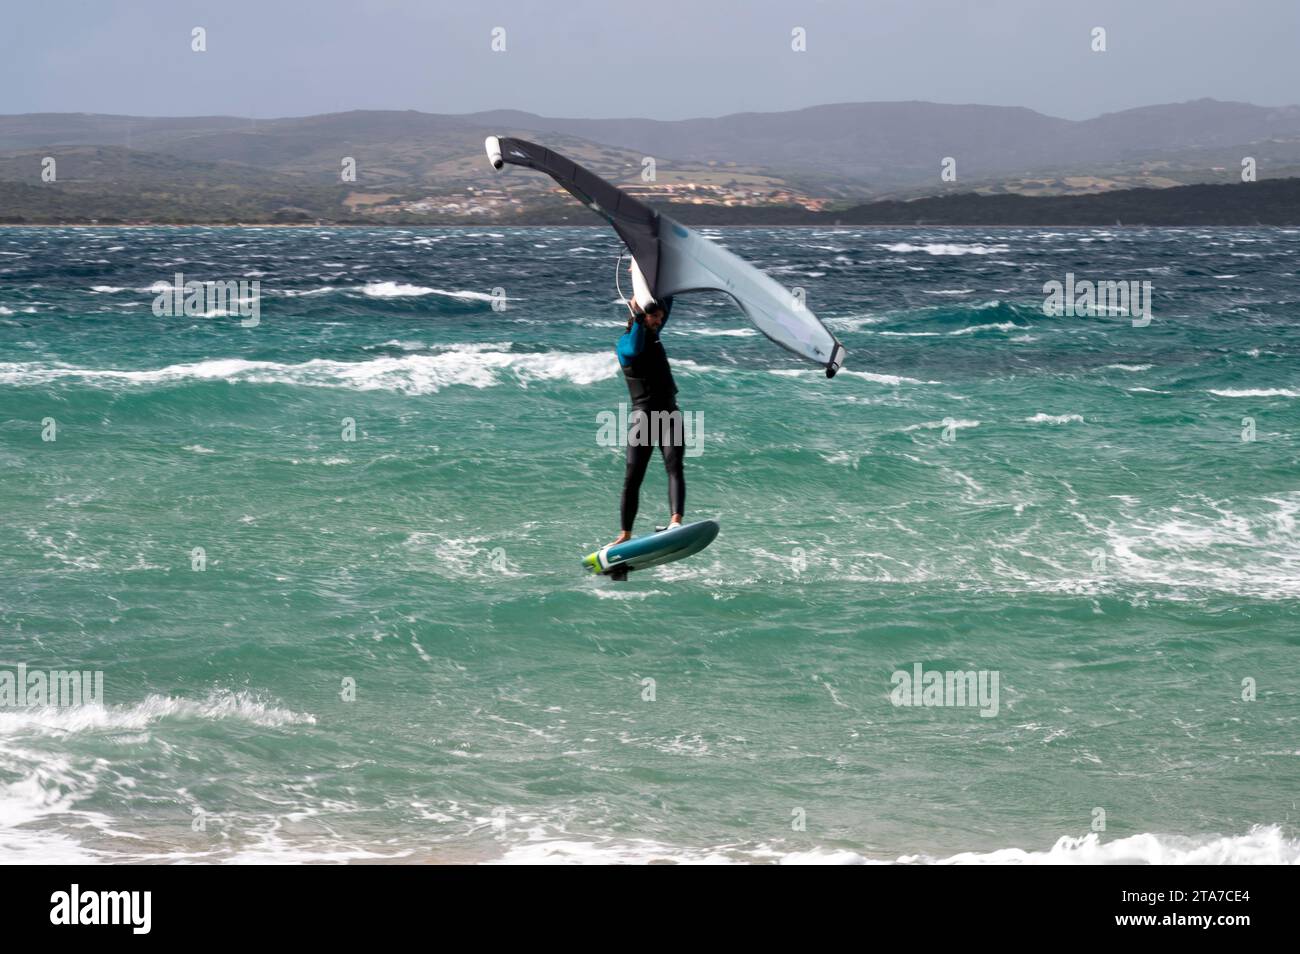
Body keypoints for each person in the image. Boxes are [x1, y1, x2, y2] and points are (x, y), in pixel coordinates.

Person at [607, 290, 685, 549]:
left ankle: (675, 522)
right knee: (634, 476)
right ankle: (625, 533)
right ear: (640, 316)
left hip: (670, 412)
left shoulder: (654, 337)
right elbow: (635, 346)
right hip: (644, 417)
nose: (659, 320)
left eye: (660, 317)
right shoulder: (626, 345)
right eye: (655, 316)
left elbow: (667, 300)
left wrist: (651, 277)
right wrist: (639, 313)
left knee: (675, 467)